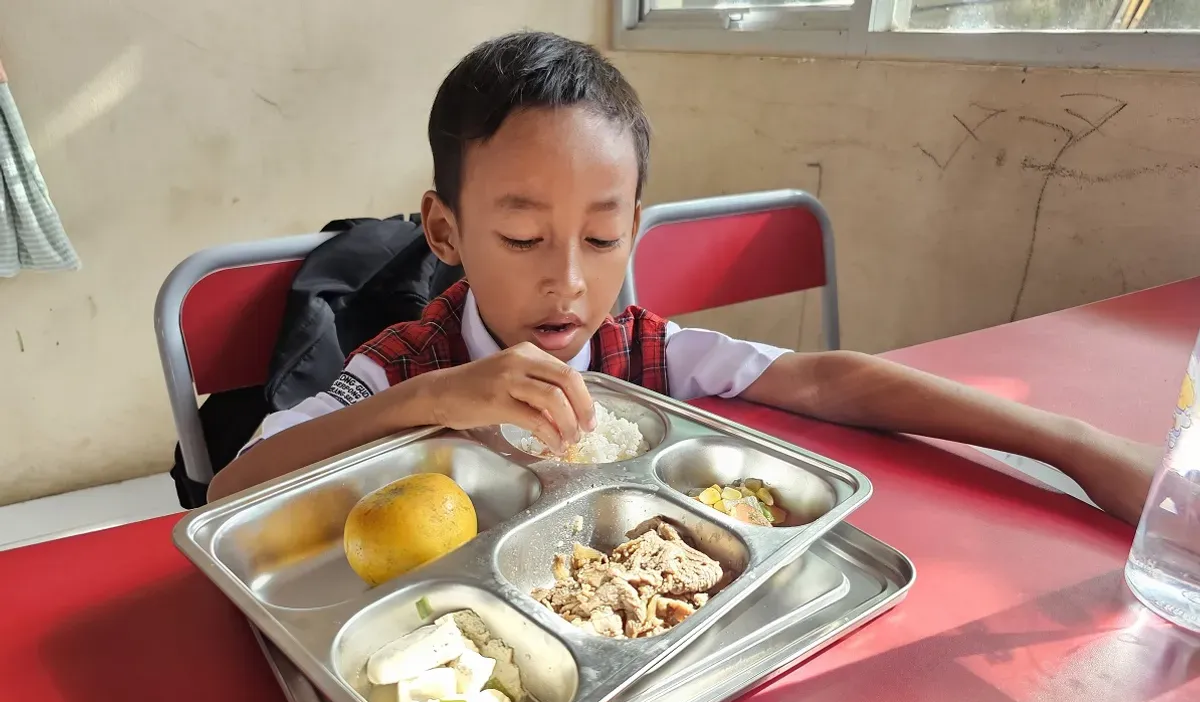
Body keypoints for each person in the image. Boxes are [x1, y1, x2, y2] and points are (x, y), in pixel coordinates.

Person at [208, 31, 1158, 525]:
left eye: (602, 237)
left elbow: (828, 378)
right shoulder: (406, 361)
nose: (570, 287)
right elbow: (232, 491)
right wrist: (438, 398)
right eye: (524, 239)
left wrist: (1068, 444)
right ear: (446, 231)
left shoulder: (639, 353)